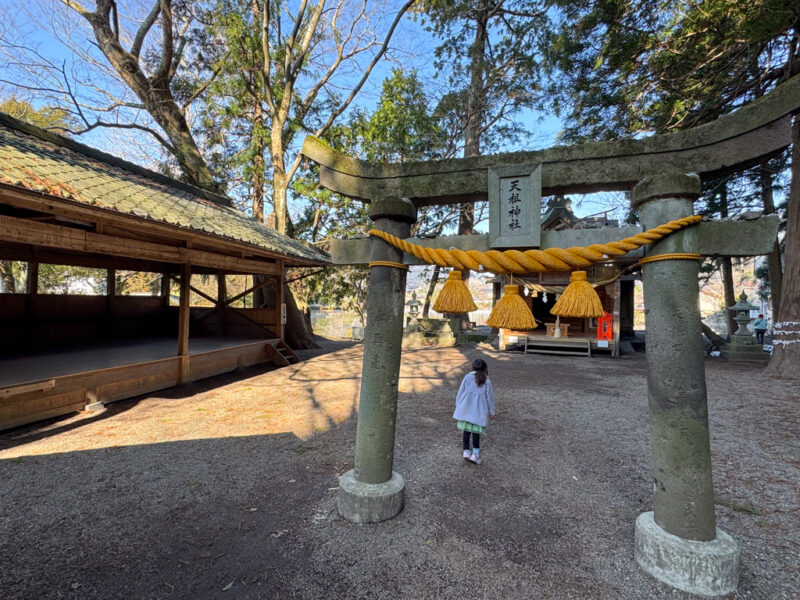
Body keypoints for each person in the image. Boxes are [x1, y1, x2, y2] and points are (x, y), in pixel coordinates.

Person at [453, 358, 495, 465]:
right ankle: (475, 454)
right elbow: (489, 398)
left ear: (473, 367)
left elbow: (460, 391)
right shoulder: (487, 381)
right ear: (485, 368)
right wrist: (491, 412)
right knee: (476, 433)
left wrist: (458, 405)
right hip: (479, 412)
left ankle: (466, 451)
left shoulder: (467, 377)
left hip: (466, 409)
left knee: (466, 431)